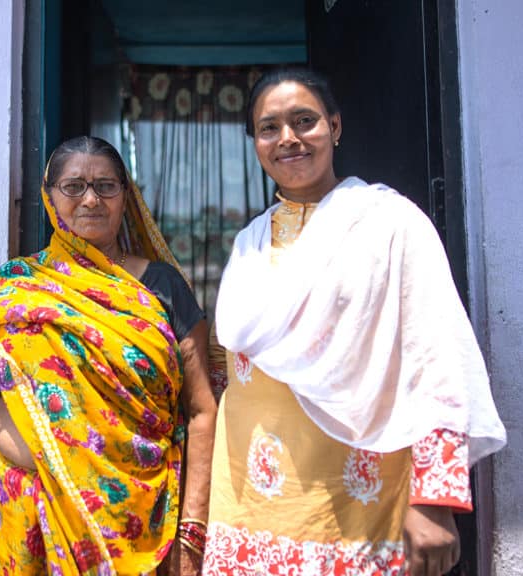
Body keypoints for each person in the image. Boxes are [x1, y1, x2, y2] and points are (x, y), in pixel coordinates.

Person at [202, 69, 507, 576]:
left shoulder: (390, 224)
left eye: (305, 121)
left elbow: (436, 360)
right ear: (255, 142)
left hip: (359, 507)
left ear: (335, 127)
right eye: (269, 128)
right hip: (248, 507)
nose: (289, 139)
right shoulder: (249, 243)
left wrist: (434, 498)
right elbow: (226, 371)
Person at [0, 137, 217, 576]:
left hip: (135, 528)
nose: (91, 199)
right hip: (21, 522)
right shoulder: (17, 287)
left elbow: (202, 411)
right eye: (74, 186)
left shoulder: (162, 287)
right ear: (49, 197)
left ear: (126, 197)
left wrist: (192, 533)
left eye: (106, 186)